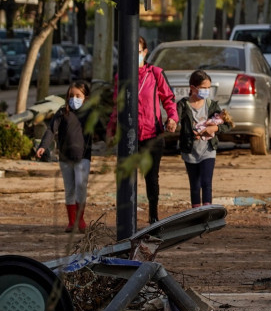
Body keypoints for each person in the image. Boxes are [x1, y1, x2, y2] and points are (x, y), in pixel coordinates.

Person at [108, 36, 178, 224]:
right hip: (128, 136)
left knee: (151, 178)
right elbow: (116, 106)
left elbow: (168, 99)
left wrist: (173, 118)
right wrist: (111, 130)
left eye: (138, 52)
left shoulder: (155, 73)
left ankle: (153, 216)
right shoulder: (120, 76)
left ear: (145, 52)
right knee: (127, 178)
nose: (134, 56)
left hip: (152, 136)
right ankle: (127, 218)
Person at [36, 80, 100, 232]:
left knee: (81, 186)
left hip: (83, 156)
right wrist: (43, 146)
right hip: (65, 158)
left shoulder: (90, 113)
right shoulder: (61, 112)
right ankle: (72, 222)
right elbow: (51, 130)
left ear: (86, 97)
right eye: (71, 95)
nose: (74, 99)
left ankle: (80, 219)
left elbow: (102, 130)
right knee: (69, 189)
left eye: (78, 95)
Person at [176, 70, 232, 208]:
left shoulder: (211, 105)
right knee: (194, 185)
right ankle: (196, 213)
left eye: (208, 88)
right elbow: (175, 120)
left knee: (206, 182)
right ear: (193, 88)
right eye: (203, 88)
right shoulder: (183, 105)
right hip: (189, 150)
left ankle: (207, 211)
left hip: (208, 149)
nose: (206, 91)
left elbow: (227, 125)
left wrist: (215, 129)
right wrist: (172, 124)